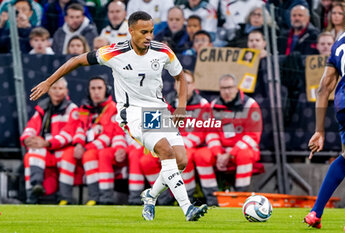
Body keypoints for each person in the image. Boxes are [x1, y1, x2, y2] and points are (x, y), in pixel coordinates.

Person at [30, 11, 208, 221]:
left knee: (180, 160)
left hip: (159, 110)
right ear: (131, 31)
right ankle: (188, 208)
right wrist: (49, 82)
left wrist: (181, 106)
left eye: (151, 31)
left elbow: (180, 76)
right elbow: (77, 60)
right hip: (133, 112)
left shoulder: (162, 51)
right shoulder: (114, 52)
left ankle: (150, 196)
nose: (149, 36)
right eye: (144, 32)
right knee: (165, 152)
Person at [304, 1, 345, 231]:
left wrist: (319, 130)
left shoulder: (340, 42)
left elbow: (324, 88)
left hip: (342, 106)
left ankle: (315, 213)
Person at [140, 69, 212, 205]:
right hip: (169, 145)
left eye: (188, 83)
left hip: (192, 146)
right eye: (180, 83)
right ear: (174, 85)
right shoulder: (165, 104)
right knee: (146, 160)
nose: (184, 86)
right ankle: (162, 198)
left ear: (194, 85)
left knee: (184, 156)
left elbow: (201, 132)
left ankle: (187, 198)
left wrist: (178, 145)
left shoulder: (203, 105)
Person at [194, 74, 262, 192]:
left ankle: (242, 195)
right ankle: (212, 197)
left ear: (237, 88)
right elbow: (211, 133)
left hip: (244, 149)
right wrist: (218, 154)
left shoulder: (250, 104)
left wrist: (231, 154)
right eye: (223, 88)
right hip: (221, 150)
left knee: (244, 155)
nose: (227, 91)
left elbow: (252, 137)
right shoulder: (214, 106)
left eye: (230, 87)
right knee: (201, 155)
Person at [58, 77, 117, 205]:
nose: (96, 92)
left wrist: (85, 148)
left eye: (100, 88)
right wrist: (79, 144)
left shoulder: (113, 108)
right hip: (86, 147)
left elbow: (107, 136)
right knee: (68, 154)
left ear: (107, 90)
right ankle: (65, 198)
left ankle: (94, 197)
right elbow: (80, 129)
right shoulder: (84, 108)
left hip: (106, 148)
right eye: (93, 88)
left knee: (89, 155)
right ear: (88, 91)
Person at [20, 78, 79, 204]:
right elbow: (31, 127)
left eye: (60, 88)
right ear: (48, 91)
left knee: (67, 156)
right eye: (54, 88)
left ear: (66, 91)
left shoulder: (72, 109)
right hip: (47, 151)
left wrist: (47, 143)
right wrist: (27, 140)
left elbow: (68, 134)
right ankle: (33, 193)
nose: (57, 92)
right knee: (32, 150)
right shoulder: (42, 108)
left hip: (62, 150)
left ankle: (65, 198)